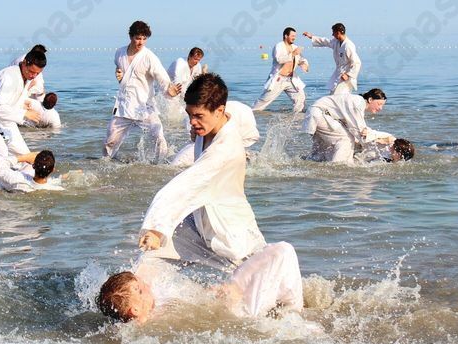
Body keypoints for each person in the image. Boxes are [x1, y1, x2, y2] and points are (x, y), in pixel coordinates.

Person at [138, 73, 266, 269]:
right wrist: (199, 131)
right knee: (150, 257)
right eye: (190, 114)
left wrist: (155, 229)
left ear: (219, 111)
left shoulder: (223, 150)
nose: (192, 122)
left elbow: (184, 186)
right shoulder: (221, 117)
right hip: (200, 222)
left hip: (230, 234)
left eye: (198, 116)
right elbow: (241, 115)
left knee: (256, 279)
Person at [97, 241, 304, 323]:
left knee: (281, 254)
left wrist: (213, 294)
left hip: (233, 304)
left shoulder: (156, 301)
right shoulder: (154, 321)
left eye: (140, 282)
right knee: (281, 251)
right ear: (134, 310)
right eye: (140, 290)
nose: (146, 285)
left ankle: (293, 313)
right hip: (241, 314)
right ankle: (294, 317)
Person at [103, 21, 182, 162]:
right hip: (124, 105)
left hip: (144, 106)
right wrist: (119, 76)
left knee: (159, 137)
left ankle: (161, 164)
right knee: (110, 142)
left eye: (144, 39)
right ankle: (105, 164)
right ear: (131, 37)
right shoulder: (119, 53)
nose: (141, 42)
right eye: (138, 38)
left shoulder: (149, 57)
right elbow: (121, 71)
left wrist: (170, 90)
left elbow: (162, 77)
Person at [0, 49, 46, 159]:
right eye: (32, 72)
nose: (33, 76)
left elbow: (12, 99)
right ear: (24, 63)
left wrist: (22, 105)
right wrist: (24, 113)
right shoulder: (8, 76)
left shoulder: (26, 76)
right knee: (1, 153)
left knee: (26, 158)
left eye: (38, 73)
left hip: (7, 122)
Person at [303, 88, 389, 163]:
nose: (380, 108)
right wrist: (380, 139)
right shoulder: (359, 103)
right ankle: (338, 166)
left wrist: (366, 135)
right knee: (347, 138)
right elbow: (359, 131)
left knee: (322, 146)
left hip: (313, 115)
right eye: (379, 104)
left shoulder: (356, 100)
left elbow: (350, 126)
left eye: (382, 105)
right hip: (320, 115)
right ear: (370, 100)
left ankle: (312, 161)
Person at [169, 99, 259, 167]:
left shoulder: (235, 127)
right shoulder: (197, 116)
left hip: (243, 126)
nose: (192, 122)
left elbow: (251, 137)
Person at [252, 27, 309, 113]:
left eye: (295, 36)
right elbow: (279, 59)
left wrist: (304, 64)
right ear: (286, 36)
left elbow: (302, 59)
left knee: (301, 99)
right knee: (263, 101)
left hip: (291, 79)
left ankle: (297, 117)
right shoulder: (278, 46)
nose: (294, 38)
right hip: (279, 79)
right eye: (292, 36)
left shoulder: (295, 47)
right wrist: (293, 54)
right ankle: (251, 112)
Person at [302, 23, 361, 95]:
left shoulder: (348, 45)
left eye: (333, 32)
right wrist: (311, 37)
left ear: (338, 32)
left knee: (338, 96)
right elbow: (326, 41)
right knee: (333, 95)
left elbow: (357, 63)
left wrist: (348, 75)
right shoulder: (336, 42)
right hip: (339, 74)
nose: (332, 34)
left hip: (346, 77)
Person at [0, 150, 64, 192]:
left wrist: (23, 158)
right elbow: (54, 181)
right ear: (52, 170)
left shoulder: (18, 179)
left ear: (33, 166)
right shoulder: (56, 189)